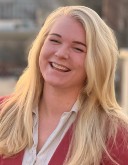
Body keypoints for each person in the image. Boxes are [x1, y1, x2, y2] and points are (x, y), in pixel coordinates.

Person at [0, 5, 128, 165]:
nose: (60, 54)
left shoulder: (116, 136)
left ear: (97, 62)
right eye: (54, 40)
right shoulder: (3, 113)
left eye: (78, 48)